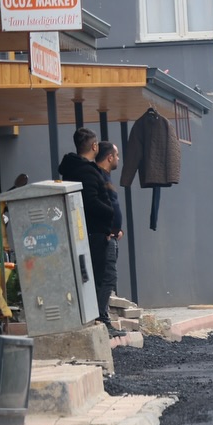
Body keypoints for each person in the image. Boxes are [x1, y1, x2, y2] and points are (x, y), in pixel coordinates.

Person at [57, 127, 119, 332]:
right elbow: (91, 202)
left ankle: (95, 319)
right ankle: (99, 321)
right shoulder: (86, 171)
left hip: (87, 233)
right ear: (94, 146)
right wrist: (109, 212)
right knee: (100, 278)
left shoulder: (72, 169)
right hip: (94, 234)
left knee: (92, 278)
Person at [95, 141, 125, 329]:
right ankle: (101, 319)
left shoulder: (106, 177)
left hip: (112, 236)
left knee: (109, 277)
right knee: (108, 276)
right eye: (117, 155)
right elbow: (101, 207)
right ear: (109, 157)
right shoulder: (99, 177)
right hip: (105, 237)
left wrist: (116, 230)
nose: (118, 159)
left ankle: (103, 316)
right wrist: (109, 230)